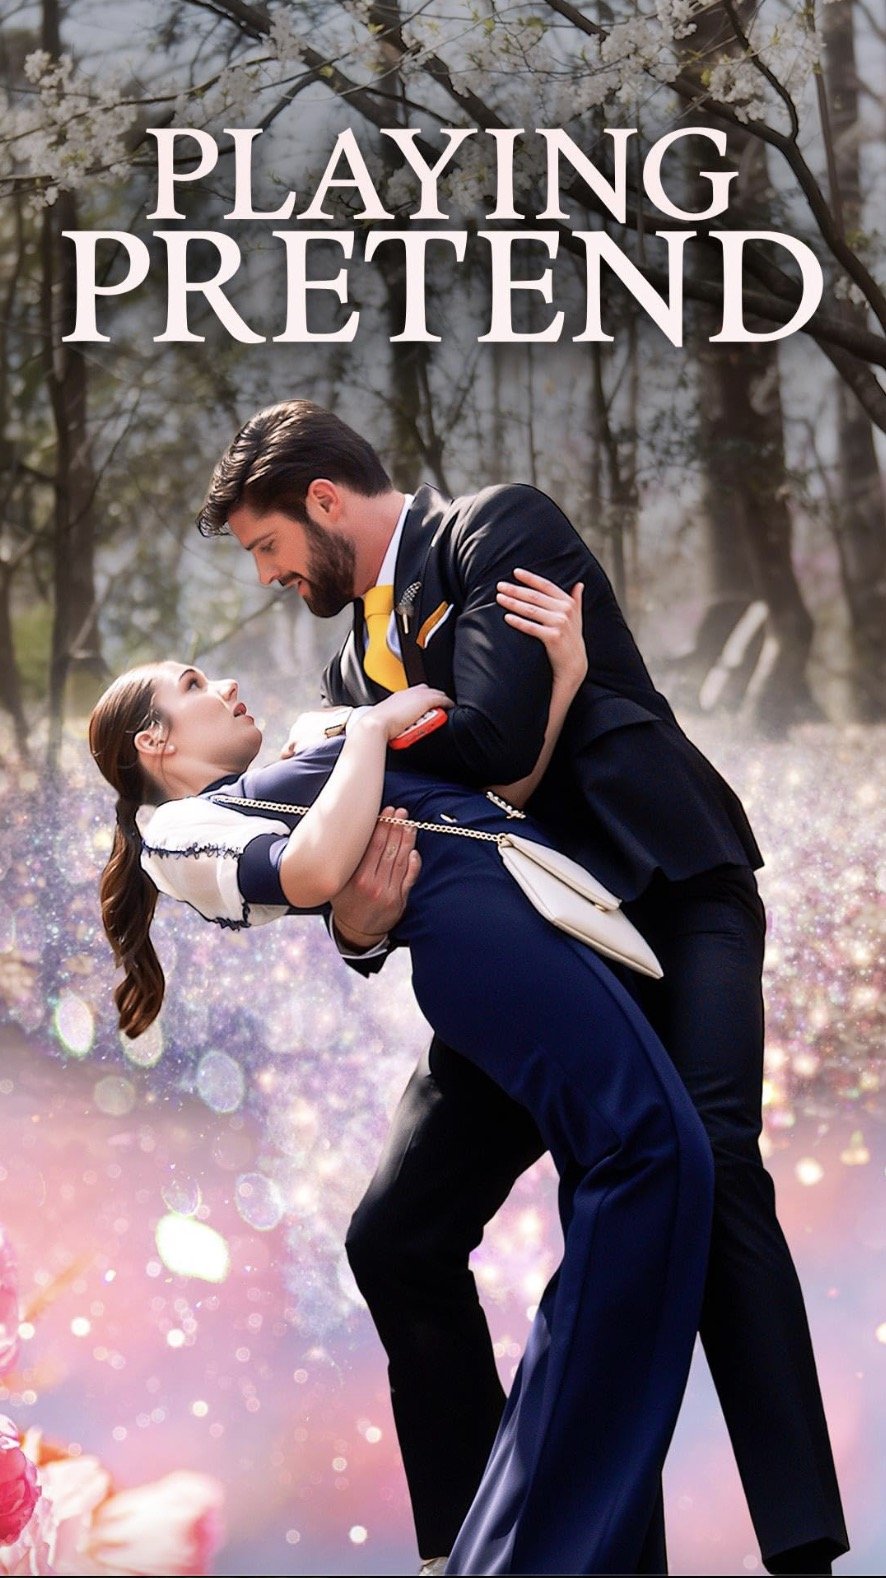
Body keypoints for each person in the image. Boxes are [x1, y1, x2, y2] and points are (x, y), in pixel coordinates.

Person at [194, 400, 848, 1578]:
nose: (270, 574)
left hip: (668, 889)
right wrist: (355, 920)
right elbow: (362, 875)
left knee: (705, 1166)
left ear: (324, 503)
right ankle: (468, 1548)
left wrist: (355, 745)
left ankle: (799, 1545)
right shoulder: (351, 670)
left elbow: (489, 738)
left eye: (265, 545)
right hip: (538, 961)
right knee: (396, 1236)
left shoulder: (497, 530)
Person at [89, 578, 714, 1576]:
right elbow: (309, 870)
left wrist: (560, 680)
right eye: (196, 684)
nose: (228, 684)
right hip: (490, 972)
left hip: (541, 930)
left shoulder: (306, 749)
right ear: (153, 745)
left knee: (405, 1237)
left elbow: (484, 801)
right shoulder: (179, 826)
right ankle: (509, 1542)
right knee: (642, 1166)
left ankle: (497, 1538)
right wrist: (371, 732)